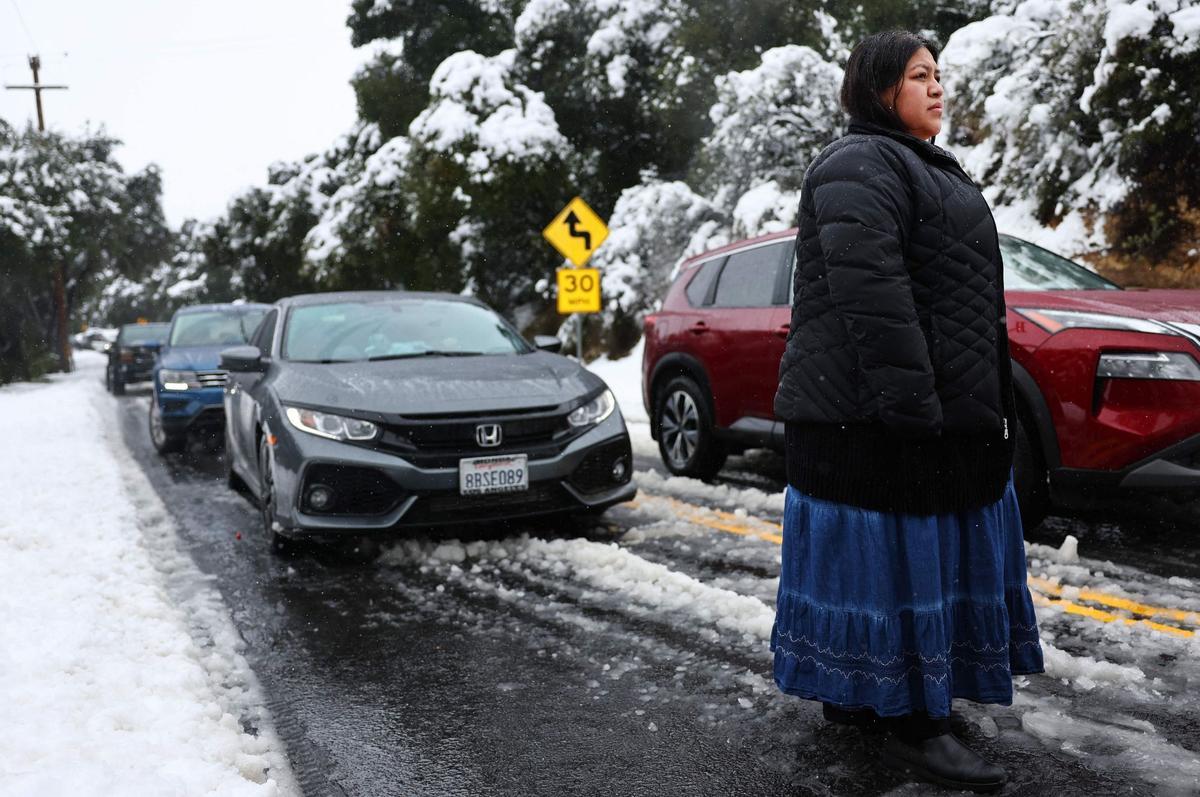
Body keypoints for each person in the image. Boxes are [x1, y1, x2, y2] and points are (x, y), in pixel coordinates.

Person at [770, 30, 1044, 793]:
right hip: (876, 420)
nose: (938, 87)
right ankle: (912, 723)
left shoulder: (914, 163)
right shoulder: (861, 162)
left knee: (897, 570)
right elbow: (875, 302)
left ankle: (866, 699)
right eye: (920, 75)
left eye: (939, 74)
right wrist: (916, 411)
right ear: (878, 87)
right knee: (893, 569)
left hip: (917, 415)